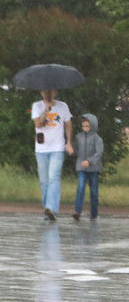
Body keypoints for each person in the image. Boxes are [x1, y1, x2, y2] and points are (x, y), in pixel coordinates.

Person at [32, 89, 72, 221]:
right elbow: (38, 124)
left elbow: (68, 124)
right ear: (41, 92)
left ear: (55, 92)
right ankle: (47, 209)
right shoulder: (37, 106)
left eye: (50, 91)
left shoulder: (63, 106)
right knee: (44, 181)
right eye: (44, 92)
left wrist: (69, 142)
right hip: (41, 148)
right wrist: (47, 110)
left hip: (57, 147)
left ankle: (51, 208)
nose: (47, 94)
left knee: (53, 177)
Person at [71, 114, 103, 222]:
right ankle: (77, 211)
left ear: (93, 126)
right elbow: (75, 151)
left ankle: (94, 214)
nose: (85, 128)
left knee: (94, 191)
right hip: (81, 167)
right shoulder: (78, 137)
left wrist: (89, 161)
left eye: (87, 126)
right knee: (80, 188)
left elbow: (99, 153)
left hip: (94, 169)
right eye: (83, 126)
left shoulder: (97, 139)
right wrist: (71, 151)